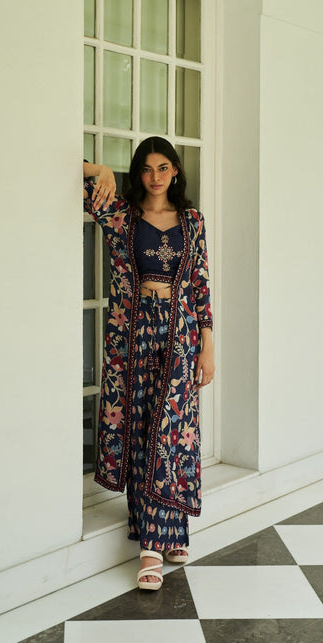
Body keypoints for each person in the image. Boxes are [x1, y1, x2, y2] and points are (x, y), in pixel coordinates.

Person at [83, 137, 214, 591]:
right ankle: (158, 541)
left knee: (171, 430)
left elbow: (201, 285)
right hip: (135, 333)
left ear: (175, 171)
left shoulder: (192, 221)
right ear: (138, 173)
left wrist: (207, 345)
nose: (155, 177)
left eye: (163, 168)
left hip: (180, 334)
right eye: (146, 168)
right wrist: (100, 170)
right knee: (142, 428)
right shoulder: (123, 216)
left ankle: (160, 538)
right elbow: (68, 173)